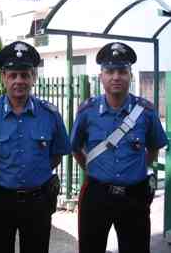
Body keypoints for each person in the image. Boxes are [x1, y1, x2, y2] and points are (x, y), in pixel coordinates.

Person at [71, 42, 168, 253]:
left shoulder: (146, 112)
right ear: (101, 77)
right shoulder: (87, 111)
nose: (116, 77)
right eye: (110, 71)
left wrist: (137, 169)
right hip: (97, 194)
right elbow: (75, 147)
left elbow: (153, 148)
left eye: (122, 71)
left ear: (130, 76)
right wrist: (91, 168)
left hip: (134, 195)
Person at [0, 41, 70, 253]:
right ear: (3, 77)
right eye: (13, 75)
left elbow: (56, 156)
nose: (19, 81)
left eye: (25, 75)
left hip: (38, 202)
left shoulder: (50, 114)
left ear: (34, 77)